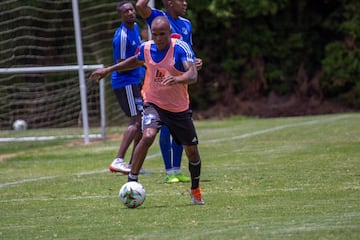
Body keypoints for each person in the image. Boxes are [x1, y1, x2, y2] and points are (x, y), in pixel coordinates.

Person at [90, 16, 205, 205]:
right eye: (155, 34)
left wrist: (177, 79)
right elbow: (134, 61)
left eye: (162, 34)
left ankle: (195, 189)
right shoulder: (146, 48)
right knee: (148, 135)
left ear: (169, 33)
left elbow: (192, 75)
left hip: (178, 109)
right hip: (153, 103)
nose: (158, 38)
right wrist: (108, 69)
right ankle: (131, 182)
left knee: (192, 151)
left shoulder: (180, 48)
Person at [136, 0, 203, 183]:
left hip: (179, 81)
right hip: (158, 82)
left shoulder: (186, 24)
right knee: (163, 126)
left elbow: (187, 51)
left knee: (179, 129)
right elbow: (140, 6)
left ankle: (176, 168)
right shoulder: (159, 17)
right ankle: (169, 170)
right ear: (170, 3)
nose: (185, 3)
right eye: (181, 0)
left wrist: (195, 61)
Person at [105, 1, 144, 173]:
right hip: (125, 82)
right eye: (126, 11)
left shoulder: (135, 27)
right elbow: (120, 64)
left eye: (131, 9)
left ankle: (133, 165)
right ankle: (118, 159)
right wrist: (141, 63)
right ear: (120, 16)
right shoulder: (121, 36)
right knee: (136, 120)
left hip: (135, 81)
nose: (130, 12)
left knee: (142, 122)